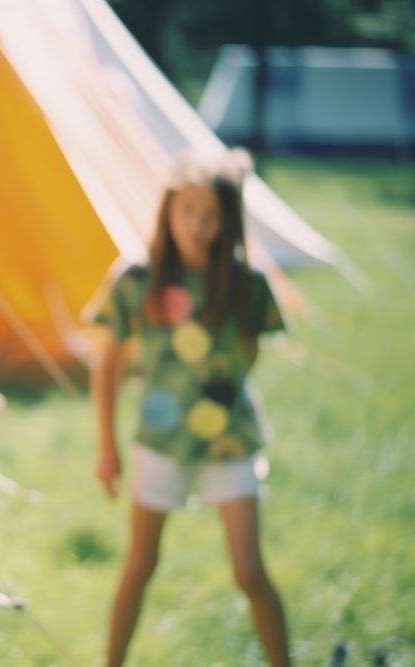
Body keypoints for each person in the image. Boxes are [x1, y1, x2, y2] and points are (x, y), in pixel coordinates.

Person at [89, 148, 291, 666]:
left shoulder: (247, 283)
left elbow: (249, 351)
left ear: (229, 221)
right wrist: (107, 447)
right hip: (160, 440)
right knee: (139, 563)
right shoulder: (136, 278)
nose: (197, 226)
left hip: (230, 440)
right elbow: (106, 362)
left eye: (211, 216)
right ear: (168, 209)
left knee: (249, 571)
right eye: (187, 211)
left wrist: (217, 398)